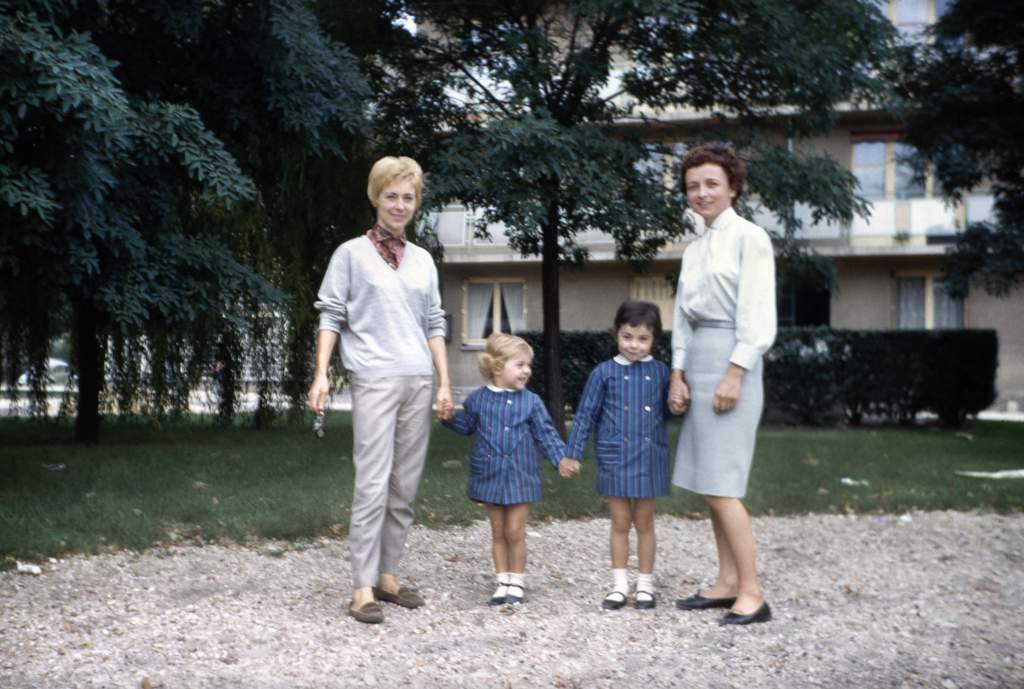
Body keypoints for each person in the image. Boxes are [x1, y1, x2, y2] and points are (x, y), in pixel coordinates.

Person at [307, 156, 454, 625]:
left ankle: (388, 577)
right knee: (372, 485)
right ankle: (361, 588)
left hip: (419, 381)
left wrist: (444, 382)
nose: (399, 204)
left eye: (408, 197)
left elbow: (434, 323)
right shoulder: (350, 254)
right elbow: (331, 314)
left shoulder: (423, 260)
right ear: (375, 197)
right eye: (391, 195)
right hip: (373, 379)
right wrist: (321, 373)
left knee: (404, 487)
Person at [668, 142, 776, 626]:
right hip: (700, 359)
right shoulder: (694, 248)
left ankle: (753, 592)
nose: (702, 193)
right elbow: (682, 317)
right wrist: (678, 372)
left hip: (735, 360)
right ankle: (727, 581)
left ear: (733, 187)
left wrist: (736, 372)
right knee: (709, 482)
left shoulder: (750, 237)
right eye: (693, 186)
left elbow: (758, 315)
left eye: (712, 183)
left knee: (722, 484)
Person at [440, 333, 579, 606]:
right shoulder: (478, 399)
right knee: (499, 532)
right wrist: (450, 418)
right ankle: (502, 581)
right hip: (488, 474)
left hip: (520, 476)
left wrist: (561, 459)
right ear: (496, 367)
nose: (527, 370)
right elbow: (467, 427)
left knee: (515, 531)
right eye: (520, 364)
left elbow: (546, 434)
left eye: (528, 365)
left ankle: (517, 581)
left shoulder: (531, 401)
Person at [565, 300, 673, 611]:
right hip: (616, 456)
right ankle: (619, 585)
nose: (634, 345)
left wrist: (680, 404)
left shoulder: (661, 371)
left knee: (645, 522)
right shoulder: (603, 372)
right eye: (627, 336)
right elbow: (585, 416)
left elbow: (669, 411)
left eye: (642, 338)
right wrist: (573, 454)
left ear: (654, 340)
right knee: (621, 522)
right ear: (616, 334)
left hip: (650, 456)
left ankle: (645, 585)